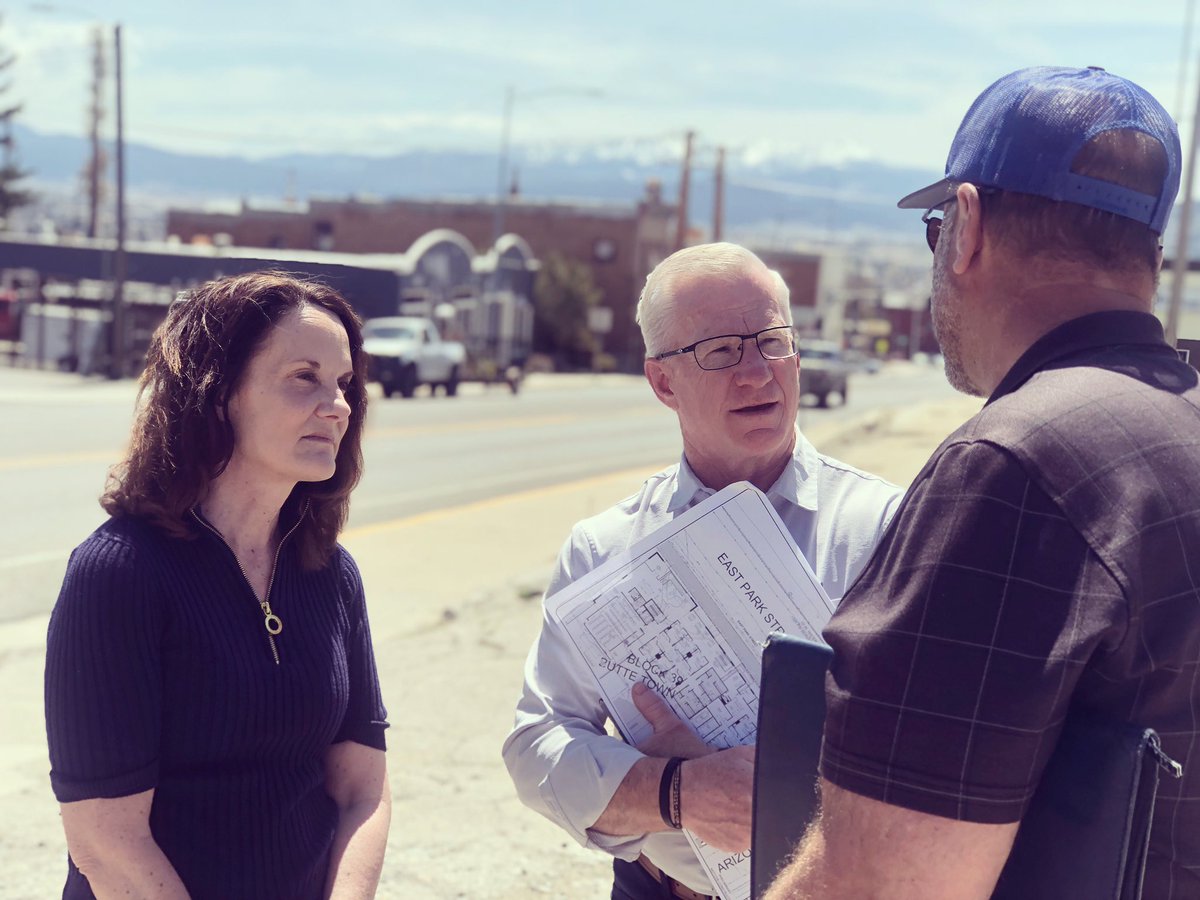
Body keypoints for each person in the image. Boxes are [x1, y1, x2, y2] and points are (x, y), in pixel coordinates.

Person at [765, 66, 1200, 900]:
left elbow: (883, 887)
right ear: (1147, 249)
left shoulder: (1012, 468)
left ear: (965, 226)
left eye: (934, 228)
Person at [502, 242, 904, 900]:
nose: (757, 372)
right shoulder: (605, 550)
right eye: (720, 351)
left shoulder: (888, 528)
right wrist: (675, 794)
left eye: (772, 341)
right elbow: (535, 745)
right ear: (663, 382)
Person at [44, 272, 391, 899]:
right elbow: (103, 840)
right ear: (219, 393)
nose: (337, 405)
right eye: (303, 378)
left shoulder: (332, 573)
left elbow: (361, 792)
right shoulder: (118, 574)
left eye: (343, 383)